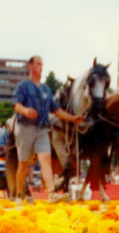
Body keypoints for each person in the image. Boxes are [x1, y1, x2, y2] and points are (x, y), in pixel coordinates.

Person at [12, 55, 84, 204]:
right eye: (37, 64)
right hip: (25, 127)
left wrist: (72, 118)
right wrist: (25, 111)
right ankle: (19, 194)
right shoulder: (23, 85)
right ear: (30, 66)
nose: (40, 66)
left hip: (42, 129)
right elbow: (16, 104)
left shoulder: (46, 89)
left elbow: (56, 109)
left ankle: (51, 193)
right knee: (23, 164)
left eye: (42, 64)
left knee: (45, 160)